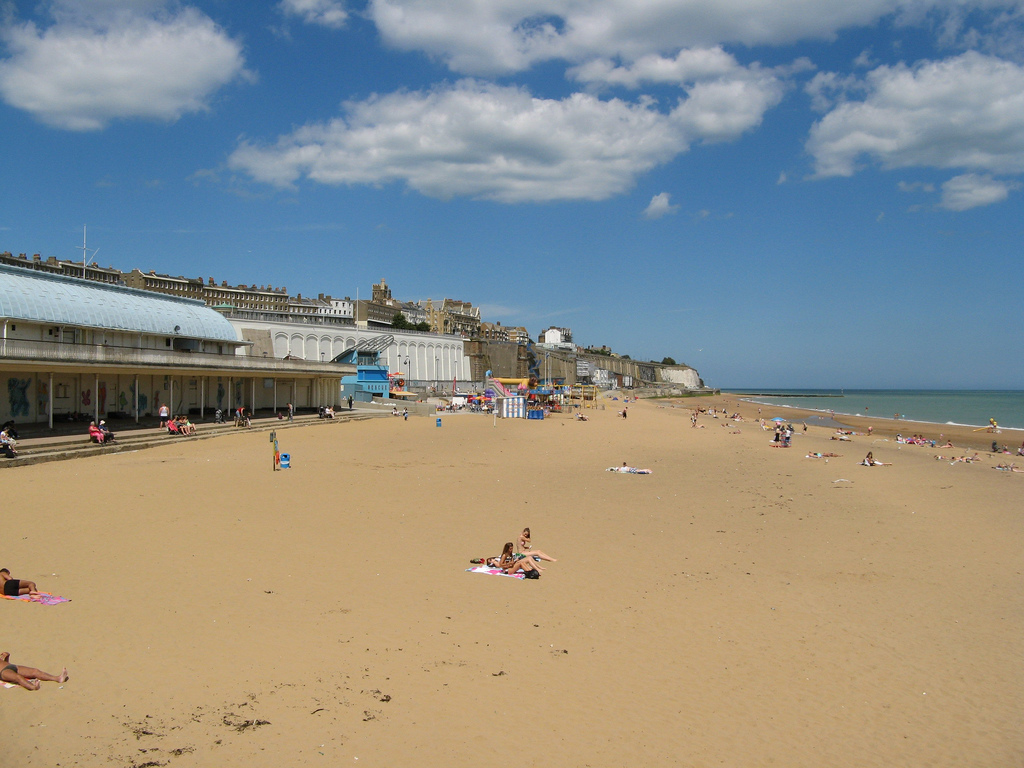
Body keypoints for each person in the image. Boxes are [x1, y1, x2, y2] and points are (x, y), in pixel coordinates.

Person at [0, 651, 68, 691]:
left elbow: (5, 662)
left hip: (12, 666)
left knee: (35, 671)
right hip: (3, 672)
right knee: (18, 677)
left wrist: (7, 656)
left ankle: (58, 678)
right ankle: (33, 687)